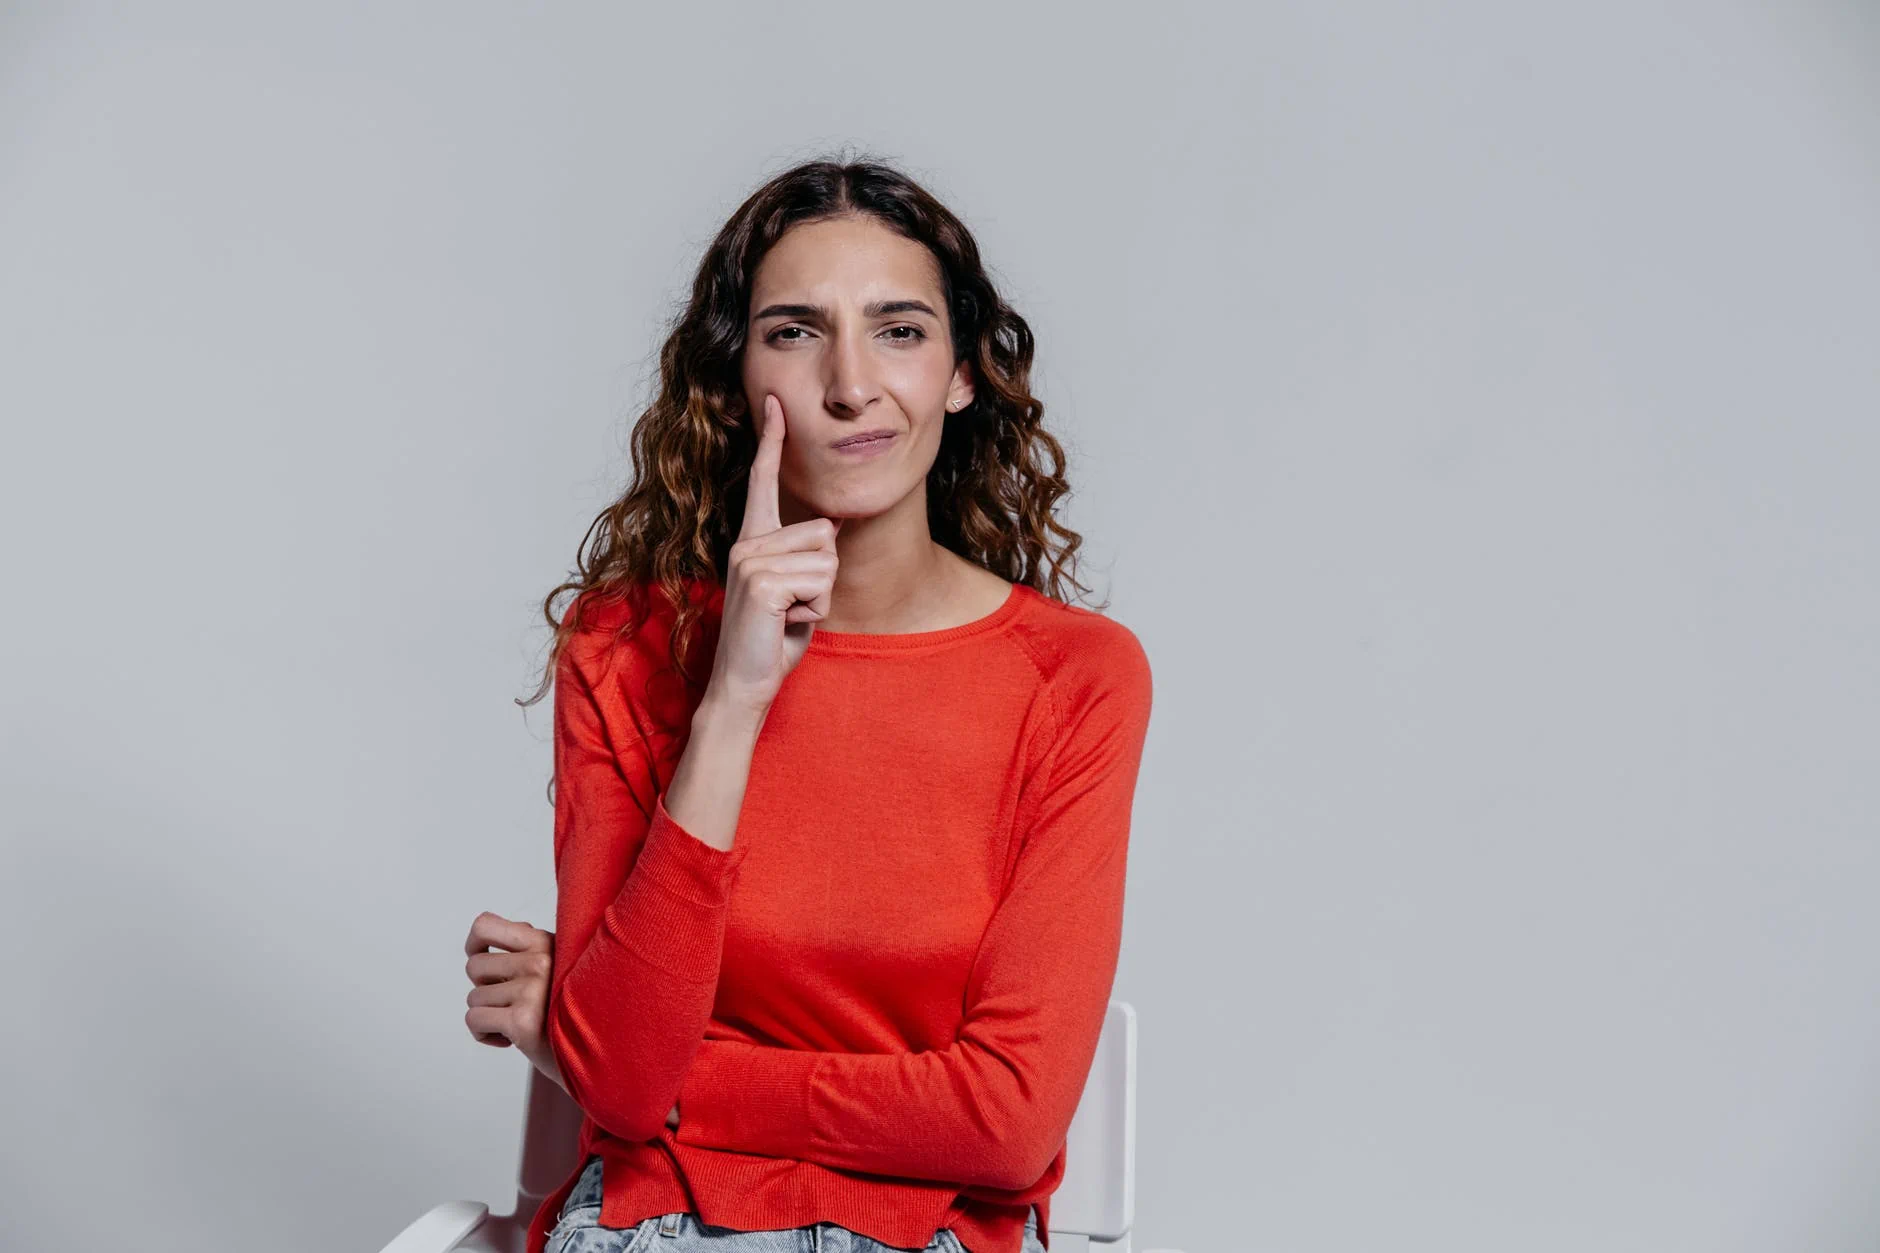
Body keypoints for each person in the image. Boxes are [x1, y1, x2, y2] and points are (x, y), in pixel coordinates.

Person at [461, 155, 1153, 1253]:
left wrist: (644, 1073)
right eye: (792, 331)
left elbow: (1008, 1124)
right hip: (648, 1228)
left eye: (898, 329)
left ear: (963, 373)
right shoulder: (626, 646)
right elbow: (627, 1082)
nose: (848, 383)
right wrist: (732, 698)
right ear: (733, 377)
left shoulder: (1073, 675)